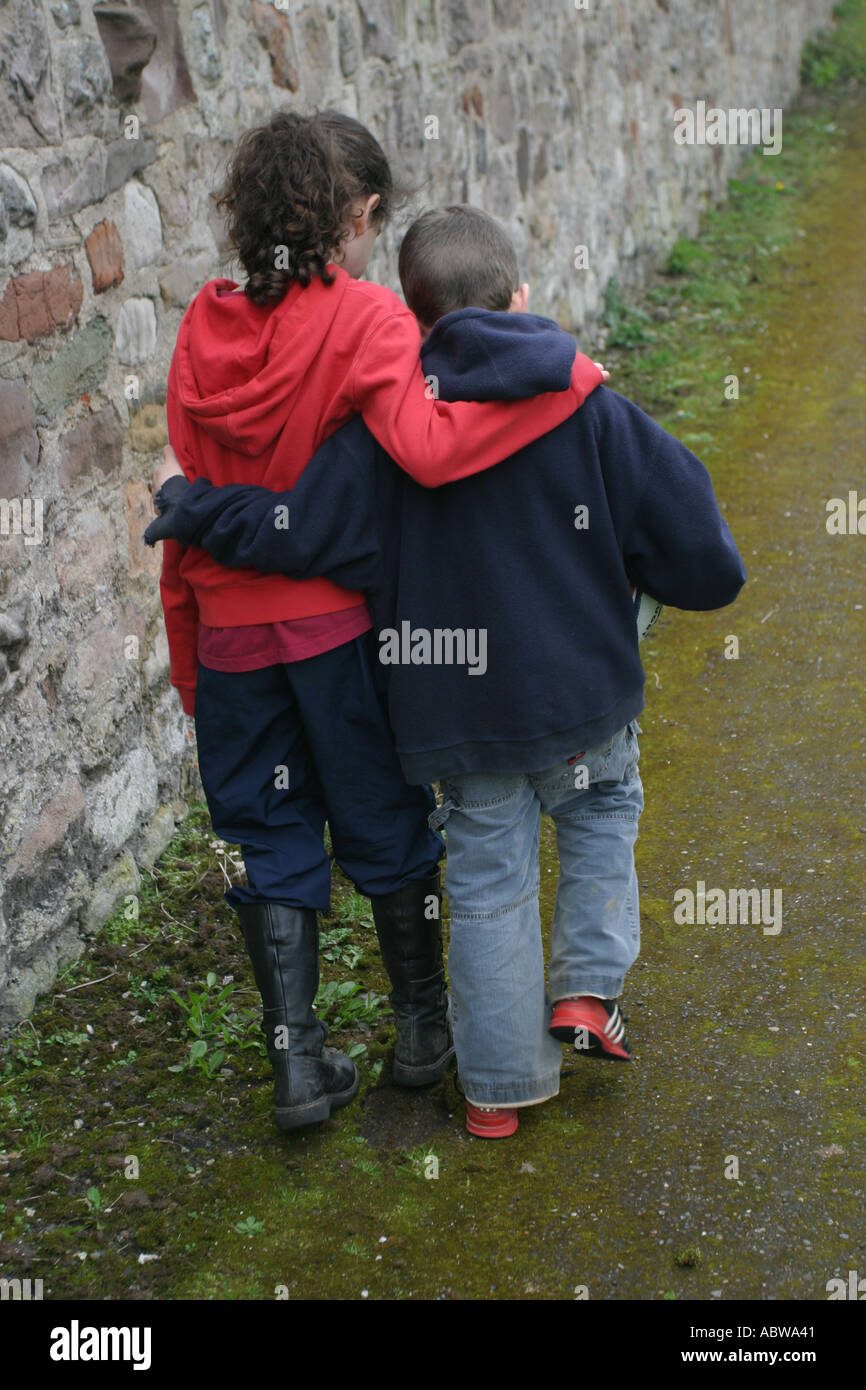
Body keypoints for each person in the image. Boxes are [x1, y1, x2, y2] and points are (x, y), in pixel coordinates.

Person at [150, 205, 745, 1138]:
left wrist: (195, 510)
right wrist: (638, 595)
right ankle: (586, 991)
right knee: (597, 816)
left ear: (416, 323)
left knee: (485, 884)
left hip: (453, 719)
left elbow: (301, 533)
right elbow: (706, 549)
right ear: (520, 296)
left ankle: (498, 1095)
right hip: (582, 696)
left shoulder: (381, 434)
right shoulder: (591, 406)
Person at [157, 116, 605, 1133]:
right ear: (345, 216)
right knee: (386, 826)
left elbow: (183, 498)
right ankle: (418, 1034)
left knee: (267, 838)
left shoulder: (198, 325)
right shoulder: (366, 320)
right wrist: (562, 379)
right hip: (335, 633)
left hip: (230, 639)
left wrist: (188, 650)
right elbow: (432, 450)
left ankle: (298, 1069)